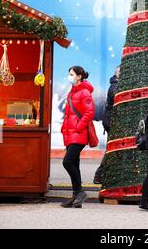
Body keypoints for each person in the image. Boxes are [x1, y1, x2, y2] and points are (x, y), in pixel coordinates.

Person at [60, 66, 95, 208]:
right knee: (74, 163)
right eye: (69, 74)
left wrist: (78, 127)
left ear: (79, 76)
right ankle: (76, 196)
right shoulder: (71, 93)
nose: (69, 76)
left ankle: (80, 192)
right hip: (71, 133)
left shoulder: (85, 92)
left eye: (72, 74)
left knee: (67, 162)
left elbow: (89, 113)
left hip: (78, 134)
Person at [93, 66, 120, 184]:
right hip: (112, 122)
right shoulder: (115, 86)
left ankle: (103, 174)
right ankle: (100, 174)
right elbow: (117, 99)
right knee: (112, 149)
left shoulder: (115, 84)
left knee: (112, 148)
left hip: (111, 122)